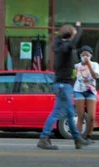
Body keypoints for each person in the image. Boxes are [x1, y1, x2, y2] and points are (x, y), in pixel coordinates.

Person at [37, 22, 90, 151]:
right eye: (74, 34)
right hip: (63, 86)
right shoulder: (66, 47)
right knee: (60, 113)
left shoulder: (60, 45)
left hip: (63, 85)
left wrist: (68, 32)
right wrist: (78, 28)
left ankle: (77, 139)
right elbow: (73, 43)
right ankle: (44, 138)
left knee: (69, 113)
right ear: (70, 35)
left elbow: (63, 40)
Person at [73, 45, 99, 142]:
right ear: (80, 55)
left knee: (91, 116)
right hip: (78, 91)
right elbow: (73, 77)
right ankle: (78, 137)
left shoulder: (95, 64)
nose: (85, 57)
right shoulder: (77, 66)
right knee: (80, 116)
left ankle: (89, 136)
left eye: (87, 55)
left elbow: (95, 76)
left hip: (90, 91)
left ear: (91, 56)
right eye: (83, 54)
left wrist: (88, 64)